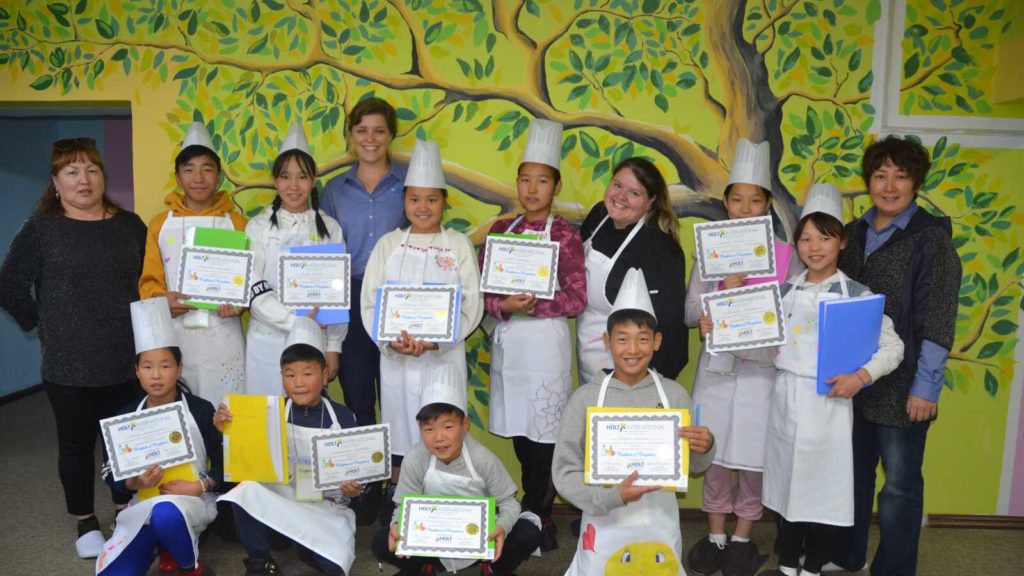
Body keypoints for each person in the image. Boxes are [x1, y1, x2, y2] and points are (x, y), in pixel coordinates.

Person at [729, 184, 904, 576]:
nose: (814, 247)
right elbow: (761, 347)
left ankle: (814, 562)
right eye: (805, 238)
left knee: (822, 490)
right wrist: (724, 327)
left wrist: (860, 377)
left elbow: (892, 348)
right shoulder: (783, 292)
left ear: (841, 242)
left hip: (829, 406)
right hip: (786, 400)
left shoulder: (857, 295)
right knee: (787, 484)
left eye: (824, 237)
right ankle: (788, 560)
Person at [0, 137, 147, 558]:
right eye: (72, 171)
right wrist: (41, 324)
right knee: (77, 444)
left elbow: (147, 282)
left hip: (127, 356)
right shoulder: (42, 229)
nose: (84, 180)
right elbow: (8, 284)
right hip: (69, 363)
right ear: (56, 181)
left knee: (124, 440)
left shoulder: (129, 225)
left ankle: (125, 507)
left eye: (92, 170)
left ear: (103, 176)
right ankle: (84, 520)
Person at [829, 136, 962, 576]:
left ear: (916, 183)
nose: (889, 186)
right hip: (853, 380)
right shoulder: (853, 233)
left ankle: (895, 569)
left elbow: (940, 317)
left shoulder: (931, 241)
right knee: (852, 477)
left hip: (903, 384)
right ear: (868, 181)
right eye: (880, 175)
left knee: (900, 487)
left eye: (900, 176)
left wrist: (926, 387)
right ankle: (848, 556)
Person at [554, 267, 716, 576]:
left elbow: (694, 466)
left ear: (656, 341)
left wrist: (706, 446)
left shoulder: (674, 396)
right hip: (604, 519)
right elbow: (564, 472)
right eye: (622, 339)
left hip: (659, 521)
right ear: (607, 341)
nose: (632, 349)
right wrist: (610, 496)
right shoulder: (586, 399)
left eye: (642, 339)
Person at [685, 139, 794, 576]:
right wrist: (709, 313)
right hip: (716, 373)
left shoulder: (788, 258)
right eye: (737, 199)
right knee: (714, 456)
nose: (745, 209)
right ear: (726, 204)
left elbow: (792, 317)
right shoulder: (708, 251)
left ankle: (743, 539)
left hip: (761, 376)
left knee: (752, 461)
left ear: (767, 206)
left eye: (755, 201)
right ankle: (714, 536)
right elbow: (690, 311)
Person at [361, 139, 483, 520]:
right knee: (401, 431)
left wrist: (436, 341)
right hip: (397, 360)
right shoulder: (388, 245)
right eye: (415, 199)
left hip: (443, 359)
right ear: (404, 201)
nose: (423, 208)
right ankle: (402, 507)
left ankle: (446, 509)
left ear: (444, 202)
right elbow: (370, 301)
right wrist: (391, 342)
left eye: (431, 200)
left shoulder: (459, 245)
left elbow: (471, 304)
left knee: (443, 432)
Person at [478, 119, 586, 551]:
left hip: (546, 346)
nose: (532, 188)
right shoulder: (501, 231)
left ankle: (540, 514)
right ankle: (532, 508)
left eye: (542, 180)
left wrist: (532, 305)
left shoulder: (565, 235)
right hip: (512, 350)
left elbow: (576, 298)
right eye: (525, 179)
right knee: (522, 436)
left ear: (555, 186)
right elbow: (485, 295)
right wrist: (502, 306)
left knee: (545, 438)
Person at [217, 317, 361, 576]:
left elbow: (359, 475)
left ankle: (305, 546)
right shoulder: (269, 411)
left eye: (308, 373)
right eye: (290, 375)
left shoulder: (345, 418)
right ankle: (260, 561)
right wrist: (227, 429)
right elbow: (245, 458)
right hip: (284, 497)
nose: (299, 383)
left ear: (325, 374)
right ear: (281, 376)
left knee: (336, 565)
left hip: (326, 506)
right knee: (244, 491)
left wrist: (353, 490)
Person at [372, 364, 542, 575]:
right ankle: (426, 567)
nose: (439, 437)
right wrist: (396, 525)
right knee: (381, 541)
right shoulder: (415, 458)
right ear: (420, 429)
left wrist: (500, 528)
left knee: (528, 532)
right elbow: (402, 506)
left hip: (480, 540)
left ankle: (493, 568)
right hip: (432, 540)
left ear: (465, 424)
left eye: (448, 426)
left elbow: (510, 503)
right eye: (429, 429)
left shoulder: (482, 458)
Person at [96, 298, 222, 576]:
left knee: (166, 513)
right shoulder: (125, 417)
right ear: (136, 371)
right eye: (147, 366)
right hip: (141, 507)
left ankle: (190, 567)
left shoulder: (200, 410)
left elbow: (226, 461)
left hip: (191, 503)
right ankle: (164, 546)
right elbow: (110, 474)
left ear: (179, 368)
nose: (156, 375)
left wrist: (200, 486)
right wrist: (135, 481)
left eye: (165, 366)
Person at [137, 122, 248, 406]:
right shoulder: (160, 224)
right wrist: (164, 300)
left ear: (219, 175)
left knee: (227, 413)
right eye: (189, 169)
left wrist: (240, 302)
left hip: (224, 336)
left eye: (207, 168)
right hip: (174, 335)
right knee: (181, 415)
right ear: (178, 176)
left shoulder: (238, 224)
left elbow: (252, 280)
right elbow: (149, 281)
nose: (198, 177)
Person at [321, 97, 407, 430]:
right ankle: (367, 479)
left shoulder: (409, 186)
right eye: (361, 130)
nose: (369, 139)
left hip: (396, 297)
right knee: (357, 393)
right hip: (351, 296)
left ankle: (401, 476)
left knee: (397, 391)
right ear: (351, 134)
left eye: (379, 131)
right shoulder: (334, 190)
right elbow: (325, 256)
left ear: (390, 135)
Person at [245, 123, 346, 396]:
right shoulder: (257, 226)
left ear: (313, 180)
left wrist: (333, 347)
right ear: (275, 181)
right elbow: (254, 288)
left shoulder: (330, 227)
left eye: (302, 176)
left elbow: (338, 294)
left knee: (305, 421)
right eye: (285, 177)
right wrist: (295, 321)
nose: (293, 186)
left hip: (315, 342)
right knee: (266, 419)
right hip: (266, 340)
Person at [577, 157, 688, 385]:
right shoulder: (598, 216)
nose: (620, 197)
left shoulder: (661, 248)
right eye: (617, 185)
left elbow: (669, 324)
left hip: (634, 370)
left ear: (651, 202)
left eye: (634, 193)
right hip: (589, 353)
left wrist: (652, 382)